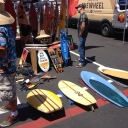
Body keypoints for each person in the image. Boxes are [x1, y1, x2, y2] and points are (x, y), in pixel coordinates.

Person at [0, 0, 19, 127]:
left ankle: (14, 114)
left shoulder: (0, 30)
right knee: (11, 87)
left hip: (5, 66)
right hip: (11, 63)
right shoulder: (8, 28)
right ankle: (11, 106)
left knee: (8, 90)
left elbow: (2, 51)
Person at [75, 4, 89, 68]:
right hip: (83, 33)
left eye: (77, 8)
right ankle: (81, 58)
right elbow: (88, 22)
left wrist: (80, 32)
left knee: (80, 47)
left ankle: (82, 62)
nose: (77, 9)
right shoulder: (83, 15)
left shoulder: (83, 15)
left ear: (81, 8)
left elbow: (83, 25)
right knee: (82, 47)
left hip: (82, 34)